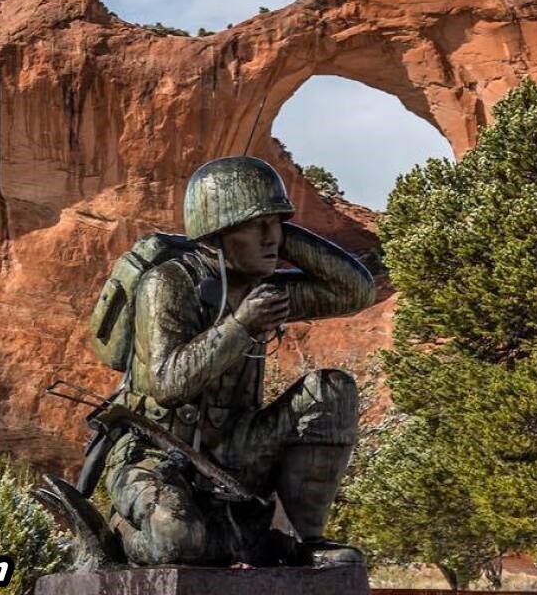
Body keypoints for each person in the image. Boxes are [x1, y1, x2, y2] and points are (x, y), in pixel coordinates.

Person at [103, 155, 376, 567]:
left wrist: (283, 236)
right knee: (175, 542)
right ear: (217, 234)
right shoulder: (169, 284)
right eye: (257, 226)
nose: (272, 238)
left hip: (236, 447)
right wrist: (241, 325)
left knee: (331, 391)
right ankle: (120, 542)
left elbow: (354, 292)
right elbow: (167, 383)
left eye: (277, 224)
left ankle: (303, 541)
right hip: (156, 451)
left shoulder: (261, 287)